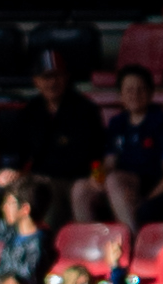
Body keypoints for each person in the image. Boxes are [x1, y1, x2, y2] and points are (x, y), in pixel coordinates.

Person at [71, 66, 163, 235]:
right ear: (121, 95)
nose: (135, 94)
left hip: (151, 186)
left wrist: (149, 200)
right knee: (81, 187)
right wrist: (96, 178)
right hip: (120, 186)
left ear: (151, 92)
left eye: (141, 89)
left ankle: (132, 240)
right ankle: (89, 242)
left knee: (114, 180)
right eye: (129, 90)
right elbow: (109, 163)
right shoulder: (117, 123)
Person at [7, 50, 106, 229]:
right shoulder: (30, 111)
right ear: (36, 81)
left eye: (57, 76)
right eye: (46, 77)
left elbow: (97, 153)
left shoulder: (85, 110)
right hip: (38, 177)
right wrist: (9, 170)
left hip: (73, 179)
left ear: (66, 77)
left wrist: (97, 177)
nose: (52, 82)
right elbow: (16, 150)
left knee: (44, 193)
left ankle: (45, 241)